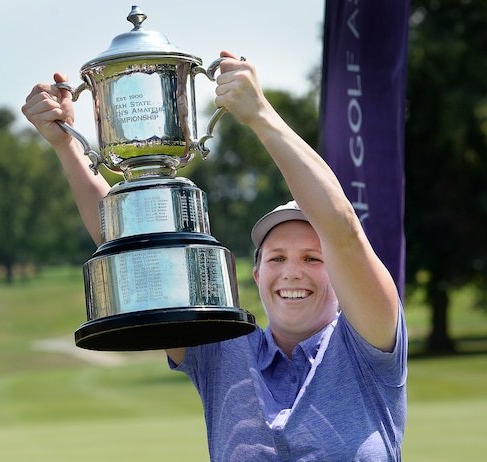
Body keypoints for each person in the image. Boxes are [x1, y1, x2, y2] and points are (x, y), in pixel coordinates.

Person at [22, 51, 407, 461]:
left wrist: (260, 116)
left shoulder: (370, 343)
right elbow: (136, 247)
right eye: (276, 258)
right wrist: (66, 145)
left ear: (340, 275)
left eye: (313, 258)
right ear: (256, 276)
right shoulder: (222, 348)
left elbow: (342, 230)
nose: (292, 272)